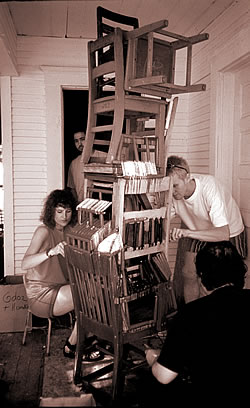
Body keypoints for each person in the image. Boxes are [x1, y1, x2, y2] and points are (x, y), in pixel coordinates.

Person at [145, 241, 250, 404]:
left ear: (202, 277)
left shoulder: (191, 313)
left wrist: (154, 359)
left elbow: (164, 377)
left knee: (151, 383)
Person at [21, 189, 103, 361]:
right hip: (41, 293)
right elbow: (25, 263)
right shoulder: (43, 231)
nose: (64, 216)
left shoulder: (69, 231)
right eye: (59, 211)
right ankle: (72, 346)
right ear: (51, 211)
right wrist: (50, 252)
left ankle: (85, 338)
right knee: (86, 295)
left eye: (68, 211)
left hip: (60, 288)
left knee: (97, 290)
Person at [166, 155, 247, 304]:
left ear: (187, 178)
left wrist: (187, 233)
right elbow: (162, 218)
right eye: (168, 187)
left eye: (175, 186)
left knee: (231, 278)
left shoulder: (209, 187)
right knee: (189, 273)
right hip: (199, 230)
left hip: (229, 231)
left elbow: (223, 234)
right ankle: (192, 315)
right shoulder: (172, 195)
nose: (172, 191)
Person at [67, 131, 106, 203]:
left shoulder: (104, 157)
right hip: (82, 205)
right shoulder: (73, 163)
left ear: (89, 139)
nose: (80, 143)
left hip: (101, 204)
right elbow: (72, 188)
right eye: (76, 141)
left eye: (82, 139)